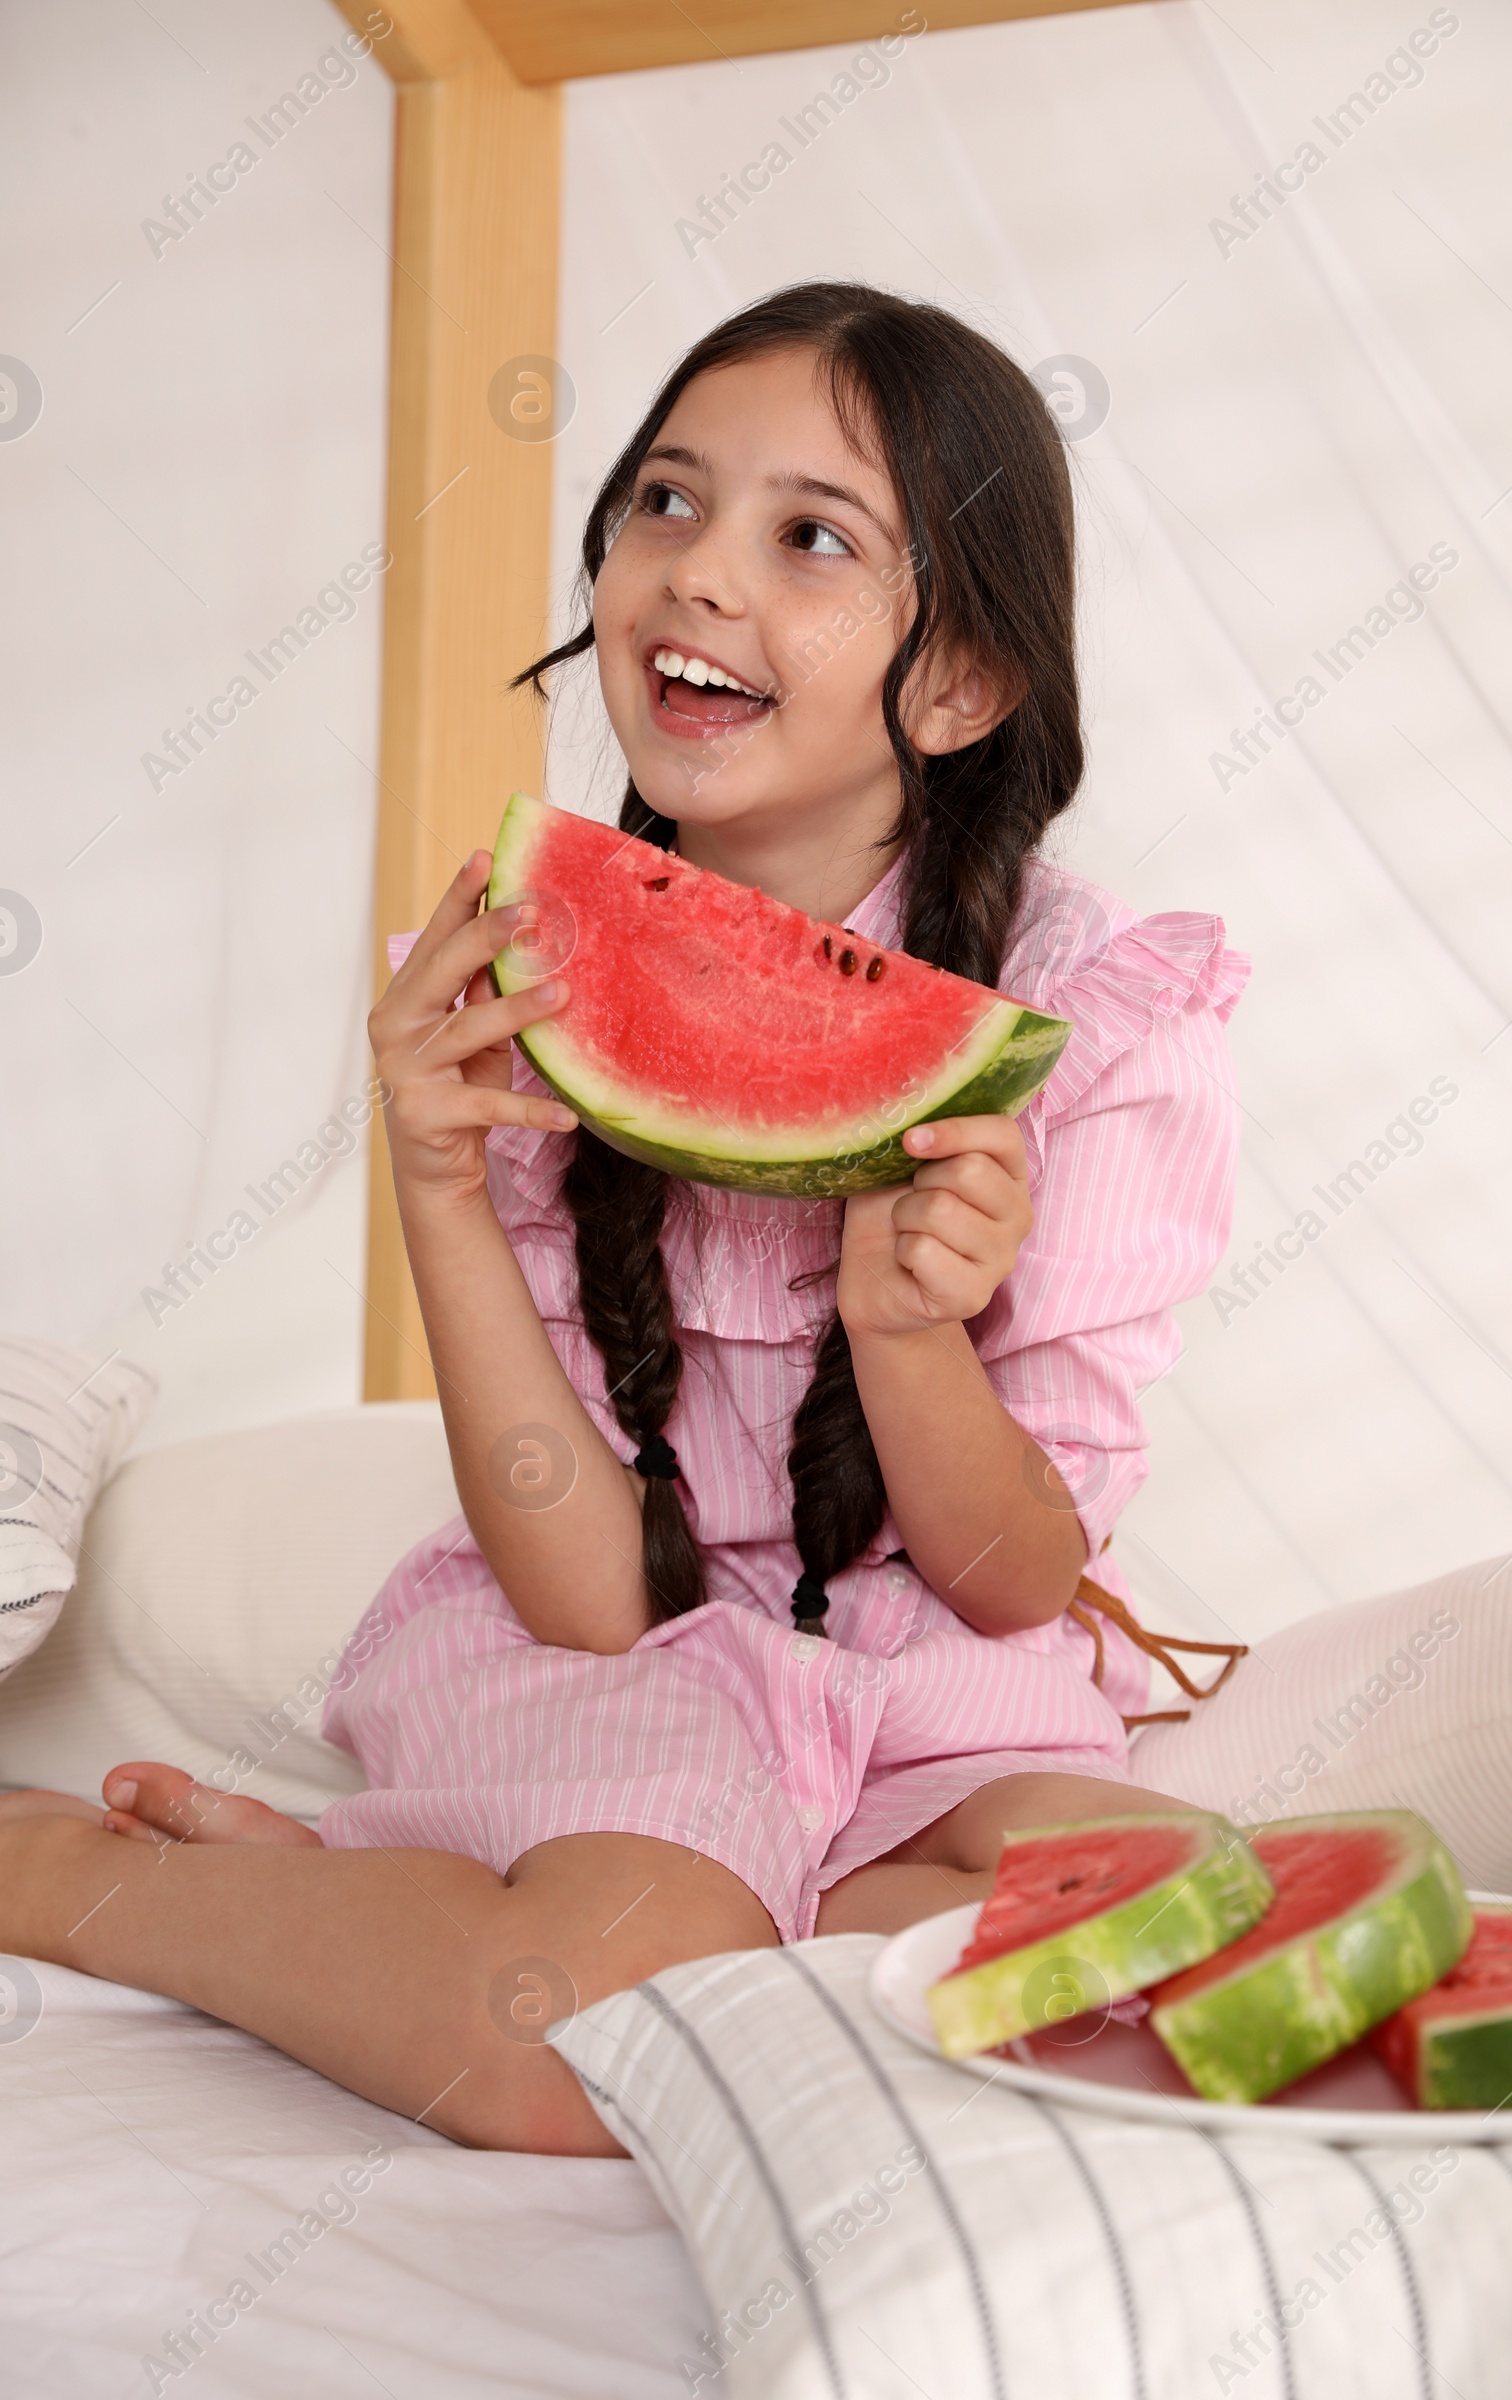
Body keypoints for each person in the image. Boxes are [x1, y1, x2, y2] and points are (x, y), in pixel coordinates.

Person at [0, 284, 1251, 2156]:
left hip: (928, 1675)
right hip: (613, 1661)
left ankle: (374, 1893)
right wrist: (435, 1177)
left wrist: (906, 1331)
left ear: (965, 681)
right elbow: (591, 1601)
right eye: (664, 502)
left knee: (1210, 1935)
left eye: (809, 536)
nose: (697, 575)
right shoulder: (515, 977)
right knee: (577, 2041)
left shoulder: (1100, 1019)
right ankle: (74, 1877)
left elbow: (1007, 1579)